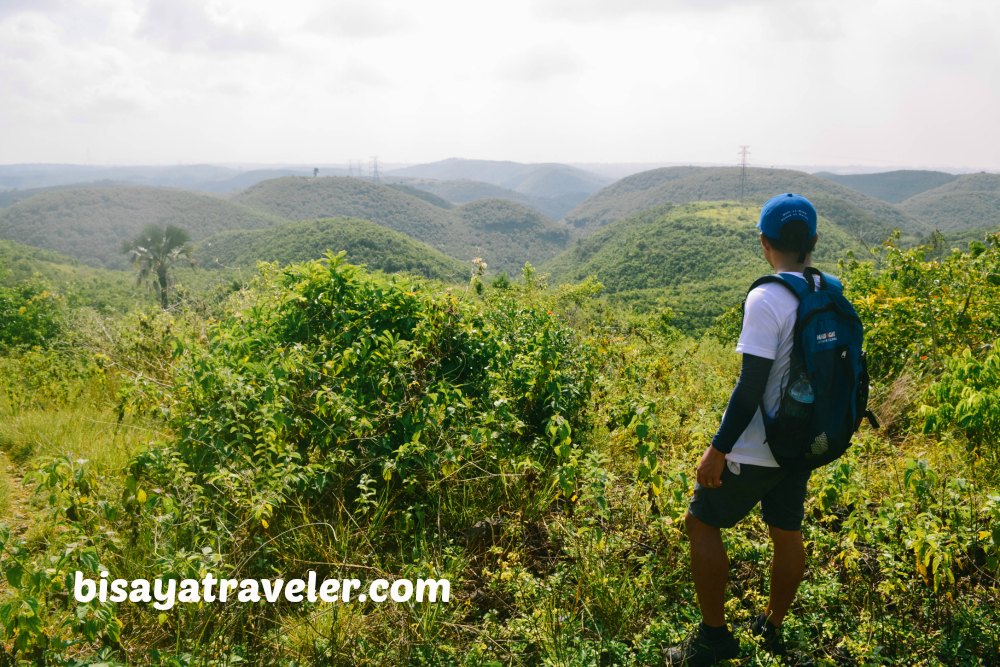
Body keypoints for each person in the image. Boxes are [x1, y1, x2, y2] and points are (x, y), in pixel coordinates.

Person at [666, 193, 821, 666]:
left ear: (764, 243)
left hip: (758, 446)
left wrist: (718, 449)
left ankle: (714, 639)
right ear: (812, 242)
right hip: (803, 443)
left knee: (701, 521)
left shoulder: (767, 296)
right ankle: (771, 628)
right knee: (787, 531)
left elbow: (750, 384)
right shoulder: (827, 290)